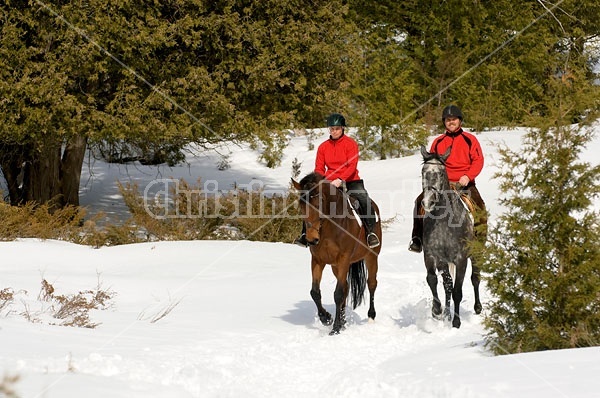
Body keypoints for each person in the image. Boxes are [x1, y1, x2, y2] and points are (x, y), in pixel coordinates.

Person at [408, 104, 487, 253]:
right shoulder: (438, 141)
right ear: (444, 122)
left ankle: (479, 243)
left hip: (464, 184)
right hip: (440, 184)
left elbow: (478, 161)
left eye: (454, 119)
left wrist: (467, 176)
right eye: (448, 119)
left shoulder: (470, 139)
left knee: (479, 207)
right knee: (419, 202)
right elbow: (431, 164)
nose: (451, 122)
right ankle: (417, 239)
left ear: (460, 121)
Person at [295, 113, 381, 249]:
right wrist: (321, 181)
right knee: (311, 202)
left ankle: (370, 233)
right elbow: (319, 167)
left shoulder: (351, 144)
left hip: (351, 181)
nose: (334, 131)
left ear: (342, 129)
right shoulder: (323, 147)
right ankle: (304, 233)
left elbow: (352, 166)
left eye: (337, 129)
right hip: (328, 183)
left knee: (364, 199)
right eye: (331, 129)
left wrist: (341, 179)